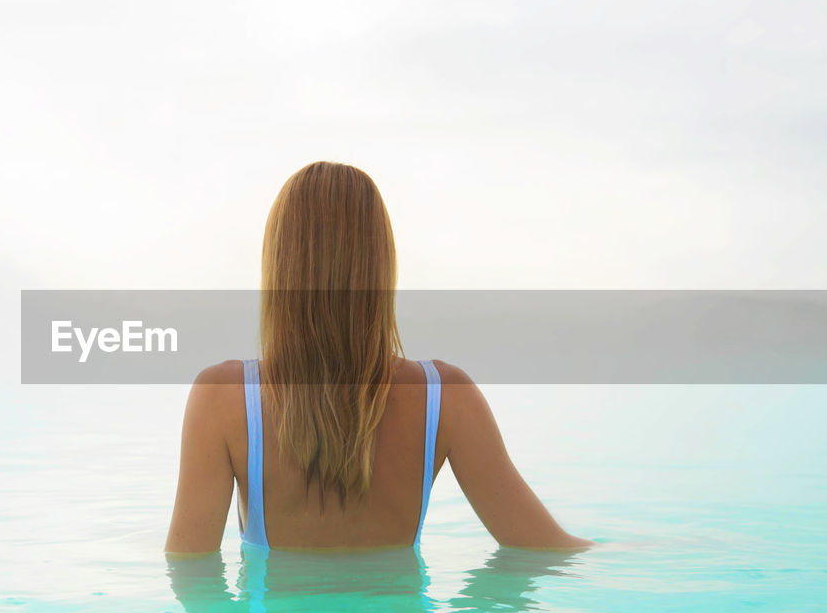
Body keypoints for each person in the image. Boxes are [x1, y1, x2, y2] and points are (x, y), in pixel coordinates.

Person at [165, 161, 592, 554]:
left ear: (279, 266)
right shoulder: (446, 398)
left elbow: (190, 582)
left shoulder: (220, 399)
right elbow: (551, 551)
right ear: (380, 264)